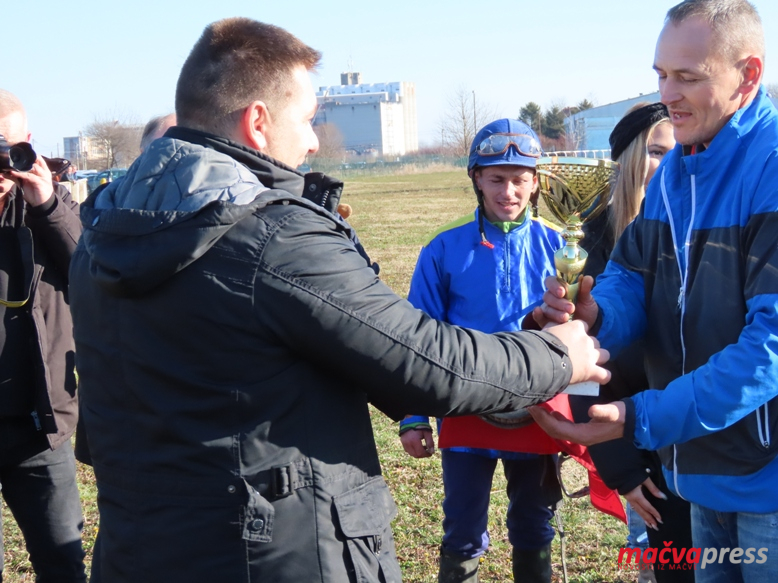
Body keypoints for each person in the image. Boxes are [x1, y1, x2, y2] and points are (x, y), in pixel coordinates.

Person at [68, 18, 610, 583]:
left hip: (139, 550)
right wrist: (556, 355)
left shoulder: (105, 228)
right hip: (274, 554)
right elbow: (426, 362)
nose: (311, 140)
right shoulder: (274, 236)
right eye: (306, 120)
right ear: (257, 122)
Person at [531, 1, 778, 581]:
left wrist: (641, 418)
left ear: (748, 75)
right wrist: (597, 313)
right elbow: (630, 277)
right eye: (661, 74)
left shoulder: (771, 169)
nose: (668, 93)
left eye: (688, 77)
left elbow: (770, 347)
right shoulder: (674, 173)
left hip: (767, 481)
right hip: (697, 471)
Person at [399, 119, 563, 583]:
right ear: (475, 178)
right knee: (463, 531)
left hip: (536, 410)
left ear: (535, 183)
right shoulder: (443, 247)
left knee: (534, 526)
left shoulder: (560, 245)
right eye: (496, 179)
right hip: (465, 408)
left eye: (519, 179)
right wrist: (414, 415)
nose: (508, 191)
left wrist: (574, 411)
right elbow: (418, 335)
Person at [574, 102, 687, 583]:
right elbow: (580, 371)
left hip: (699, 437)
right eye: (657, 152)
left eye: (678, 152)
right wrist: (622, 469)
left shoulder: (693, 230)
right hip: (637, 450)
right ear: (624, 161)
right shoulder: (583, 243)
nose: (669, 165)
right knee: (665, 571)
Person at [0, 89, 85, 582]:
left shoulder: (53, 202)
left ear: (28, 143)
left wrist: (46, 203)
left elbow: (92, 274)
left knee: (62, 560)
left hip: (38, 428)